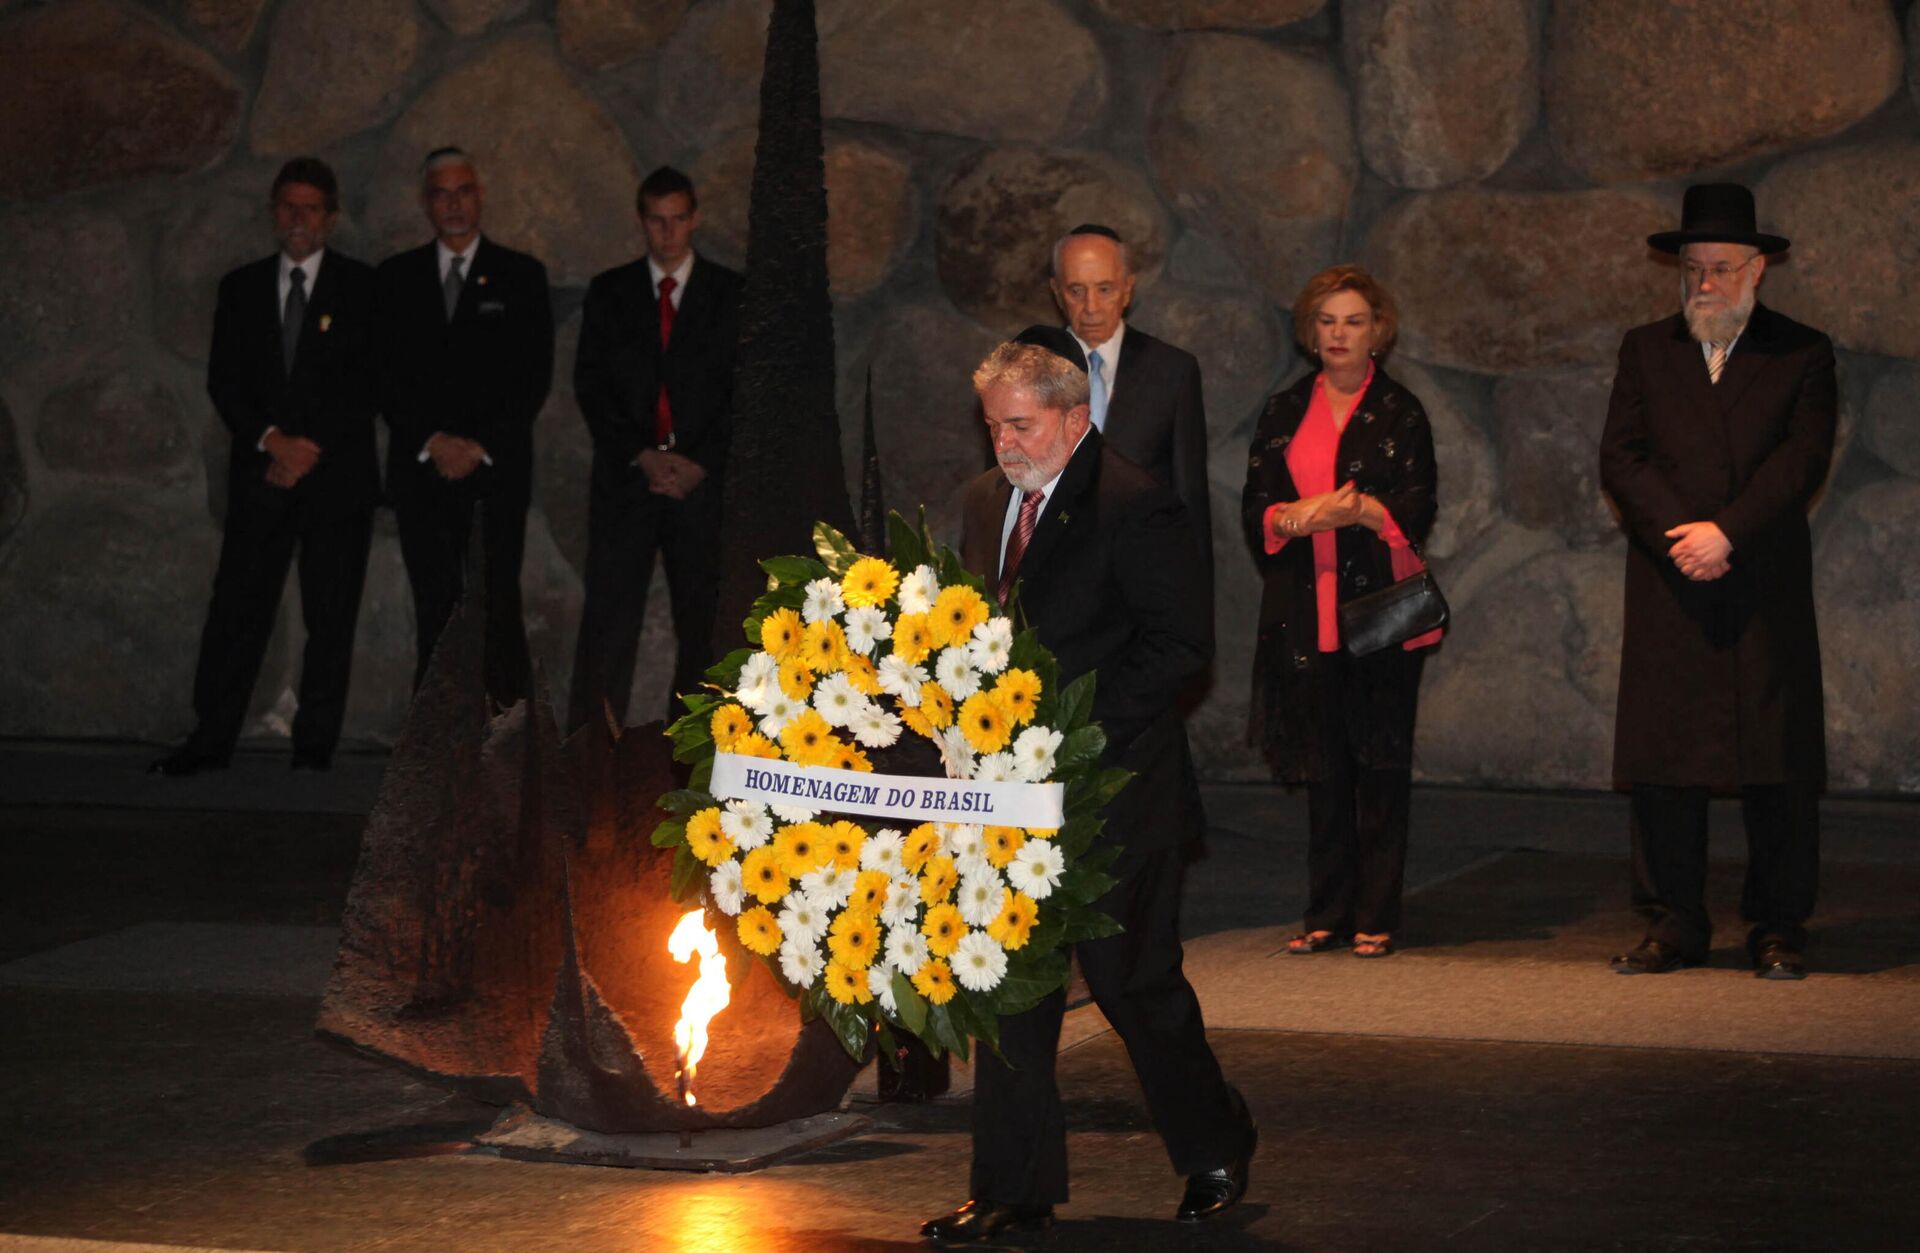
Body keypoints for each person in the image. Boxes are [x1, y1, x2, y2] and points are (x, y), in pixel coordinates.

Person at [921, 341, 1254, 1243]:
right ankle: (1011, 1186)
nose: (1003, 441)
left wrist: (1067, 723)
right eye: (992, 423)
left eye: (1020, 423)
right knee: (1012, 987)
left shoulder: (1135, 501)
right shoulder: (988, 499)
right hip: (1007, 797)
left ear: (1075, 419)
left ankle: (1216, 1141)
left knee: (1131, 981)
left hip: (1117, 788)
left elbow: (1181, 646)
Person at [1598, 183, 1835, 981]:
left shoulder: (1801, 352)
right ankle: (1675, 922)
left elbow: (1800, 459)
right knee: (1667, 758)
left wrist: (1727, 531)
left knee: (1775, 758)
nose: (1704, 284)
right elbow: (1621, 457)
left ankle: (1777, 925)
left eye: (1721, 268)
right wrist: (1682, 539)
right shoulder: (1645, 348)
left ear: (1757, 269)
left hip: (1758, 573)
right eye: (1692, 268)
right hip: (1673, 577)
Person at [153, 158, 379, 775]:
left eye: (310, 208)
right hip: (262, 476)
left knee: (329, 615)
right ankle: (212, 738)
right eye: (287, 206)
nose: (298, 218)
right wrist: (273, 442)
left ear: (330, 217)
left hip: (336, 480)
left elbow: (365, 385)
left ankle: (314, 747)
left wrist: (307, 451)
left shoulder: (362, 289)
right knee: (238, 610)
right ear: (274, 213)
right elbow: (225, 381)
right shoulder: (241, 287)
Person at [1240, 264, 1440, 960]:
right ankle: (1326, 910)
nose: (1339, 333)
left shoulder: (1401, 411)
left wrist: (1362, 510)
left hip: (1377, 611)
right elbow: (1256, 508)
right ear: (1310, 330)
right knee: (1323, 768)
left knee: (1379, 765)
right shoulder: (1283, 408)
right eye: (1327, 320)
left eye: (1353, 320)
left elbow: (1418, 509)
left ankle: (1377, 911)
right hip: (1303, 609)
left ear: (1376, 329)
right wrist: (1296, 517)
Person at [567, 166, 742, 732]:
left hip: (700, 486)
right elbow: (592, 386)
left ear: (694, 219)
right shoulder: (611, 292)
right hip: (628, 482)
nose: (668, 233)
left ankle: (693, 756)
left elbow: (742, 391)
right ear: (642, 221)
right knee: (609, 623)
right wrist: (642, 455)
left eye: (678, 220)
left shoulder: (730, 294)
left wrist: (698, 462)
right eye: (656, 221)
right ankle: (592, 753)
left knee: (703, 627)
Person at [377, 147, 553, 706]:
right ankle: (432, 744)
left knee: (498, 602)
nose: (454, 204)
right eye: (441, 193)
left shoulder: (522, 276)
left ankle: (506, 734)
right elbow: (384, 375)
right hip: (422, 470)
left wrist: (478, 446)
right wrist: (433, 442)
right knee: (434, 603)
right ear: (426, 203)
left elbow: (532, 377)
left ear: (479, 196)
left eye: (464, 191)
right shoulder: (395, 278)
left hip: (494, 472)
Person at [1047, 224, 1212, 569]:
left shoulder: (1171, 372)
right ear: (1057, 293)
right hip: (1052, 583)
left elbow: (1189, 503)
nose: (1091, 307)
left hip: (1143, 582)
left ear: (1127, 289)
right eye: (1076, 291)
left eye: (1104, 289)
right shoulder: (1026, 371)